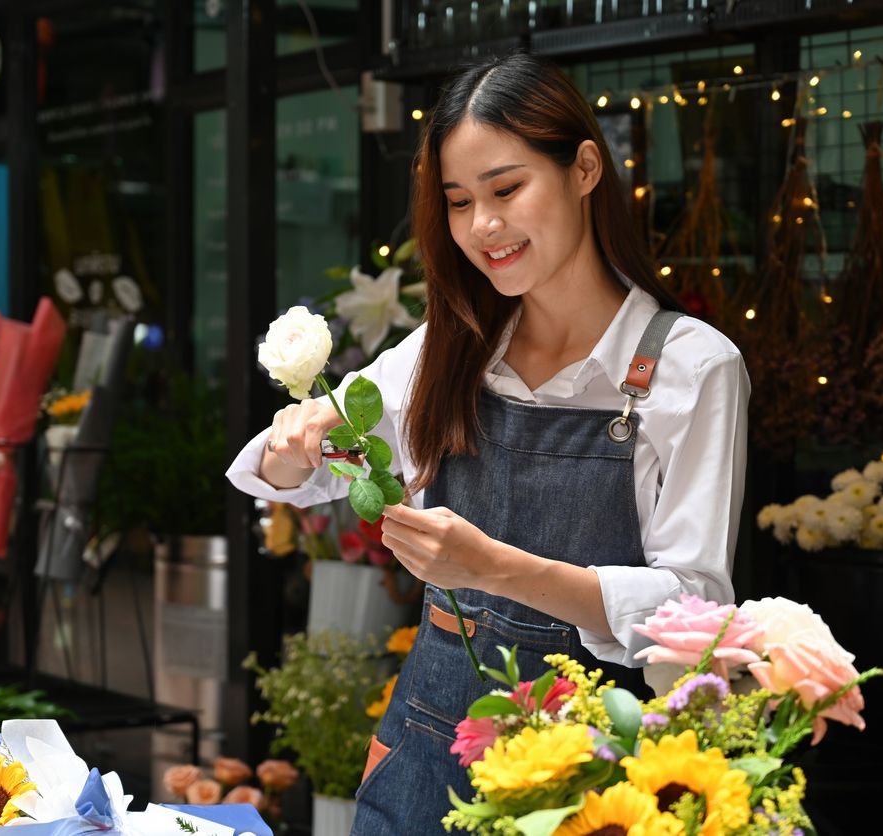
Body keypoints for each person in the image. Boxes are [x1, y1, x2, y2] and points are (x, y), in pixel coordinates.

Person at [226, 52, 749, 834]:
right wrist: (293, 443)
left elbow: (695, 609)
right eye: (460, 202)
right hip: (430, 745)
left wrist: (493, 569)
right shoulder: (450, 345)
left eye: (506, 190)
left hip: (593, 771)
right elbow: (300, 472)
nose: (482, 227)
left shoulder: (692, 367)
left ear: (583, 169)